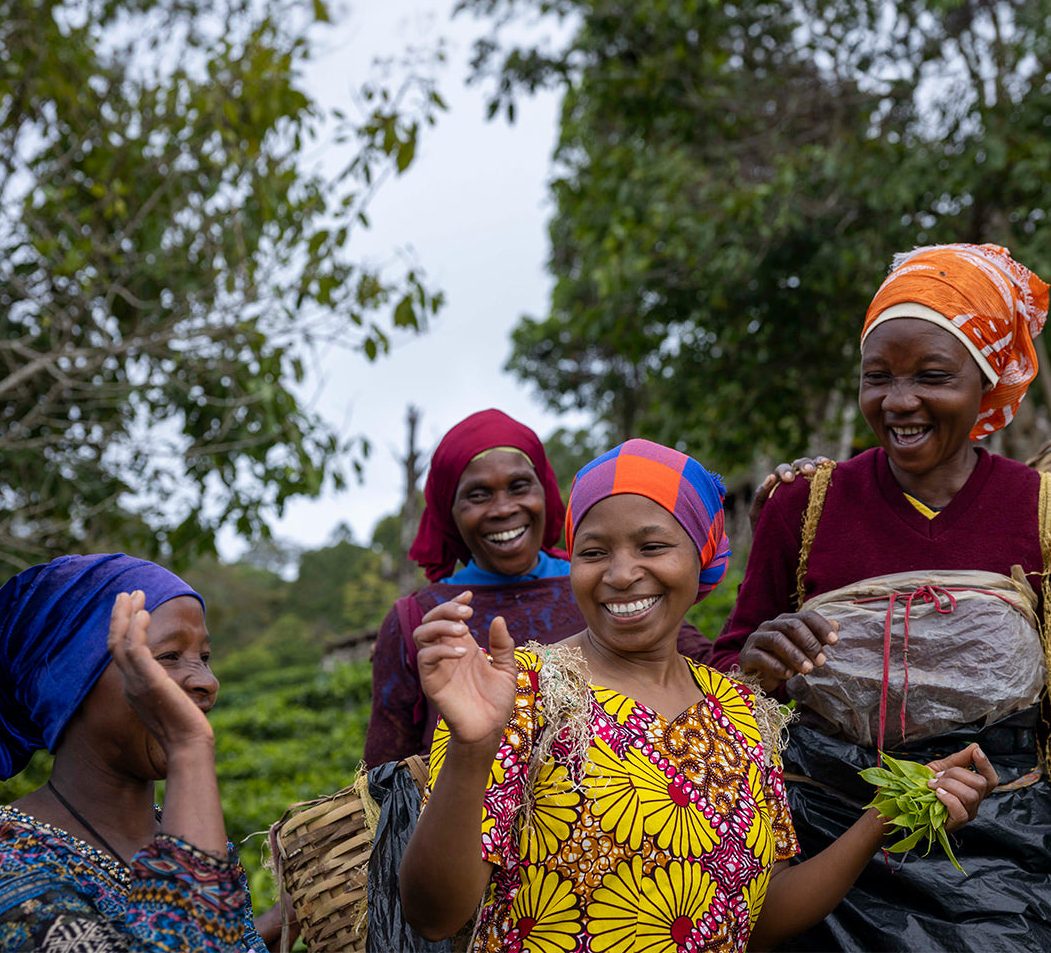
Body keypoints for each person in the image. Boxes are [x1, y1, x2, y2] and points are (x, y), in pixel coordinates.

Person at [398, 439, 995, 952]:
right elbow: (434, 916)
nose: (621, 572)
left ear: (703, 556)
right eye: (594, 551)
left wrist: (879, 818)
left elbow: (757, 921)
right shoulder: (522, 691)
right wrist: (474, 750)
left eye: (653, 547)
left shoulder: (740, 712)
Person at [712, 241, 1051, 951]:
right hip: (823, 843)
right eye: (878, 378)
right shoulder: (804, 506)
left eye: (933, 376)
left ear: (987, 380)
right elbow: (723, 681)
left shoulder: (1037, 509)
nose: (899, 402)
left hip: (1000, 855)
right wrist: (758, 666)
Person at [0, 553, 287, 952]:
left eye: (204, 657)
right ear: (69, 684)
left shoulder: (185, 834)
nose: (208, 681)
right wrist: (188, 747)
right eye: (168, 657)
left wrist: (279, 923)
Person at [364, 408, 714, 765]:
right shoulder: (419, 620)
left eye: (519, 487)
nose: (503, 509)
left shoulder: (602, 586)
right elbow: (385, 774)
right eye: (478, 495)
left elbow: (709, 678)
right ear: (446, 512)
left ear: (544, 491)